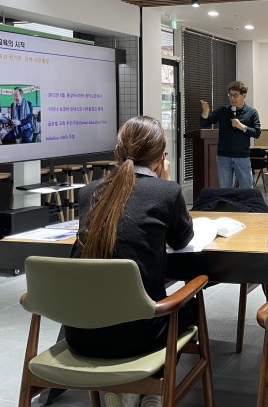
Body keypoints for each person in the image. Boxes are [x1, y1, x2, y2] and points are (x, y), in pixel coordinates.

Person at [65, 116, 194, 407]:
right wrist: (167, 183)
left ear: (117, 152)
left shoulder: (89, 192)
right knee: (190, 304)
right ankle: (150, 390)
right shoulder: (166, 192)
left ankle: (125, 390)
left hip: (80, 334)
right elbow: (183, 239)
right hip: (139, 336)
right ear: (162, 157)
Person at [200, 80, 261, 188]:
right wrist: (205, 111)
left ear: (244, 96)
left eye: (236, 95)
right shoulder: (222, 111)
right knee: (225, 190)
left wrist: (242, 126)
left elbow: (257, 133)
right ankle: (227, 205)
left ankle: (246, 205)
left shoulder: (252, 112)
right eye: (230, 95)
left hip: (242, 157)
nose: (232, 98)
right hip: (223, 157)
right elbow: (204, 123)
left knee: (247, 189)